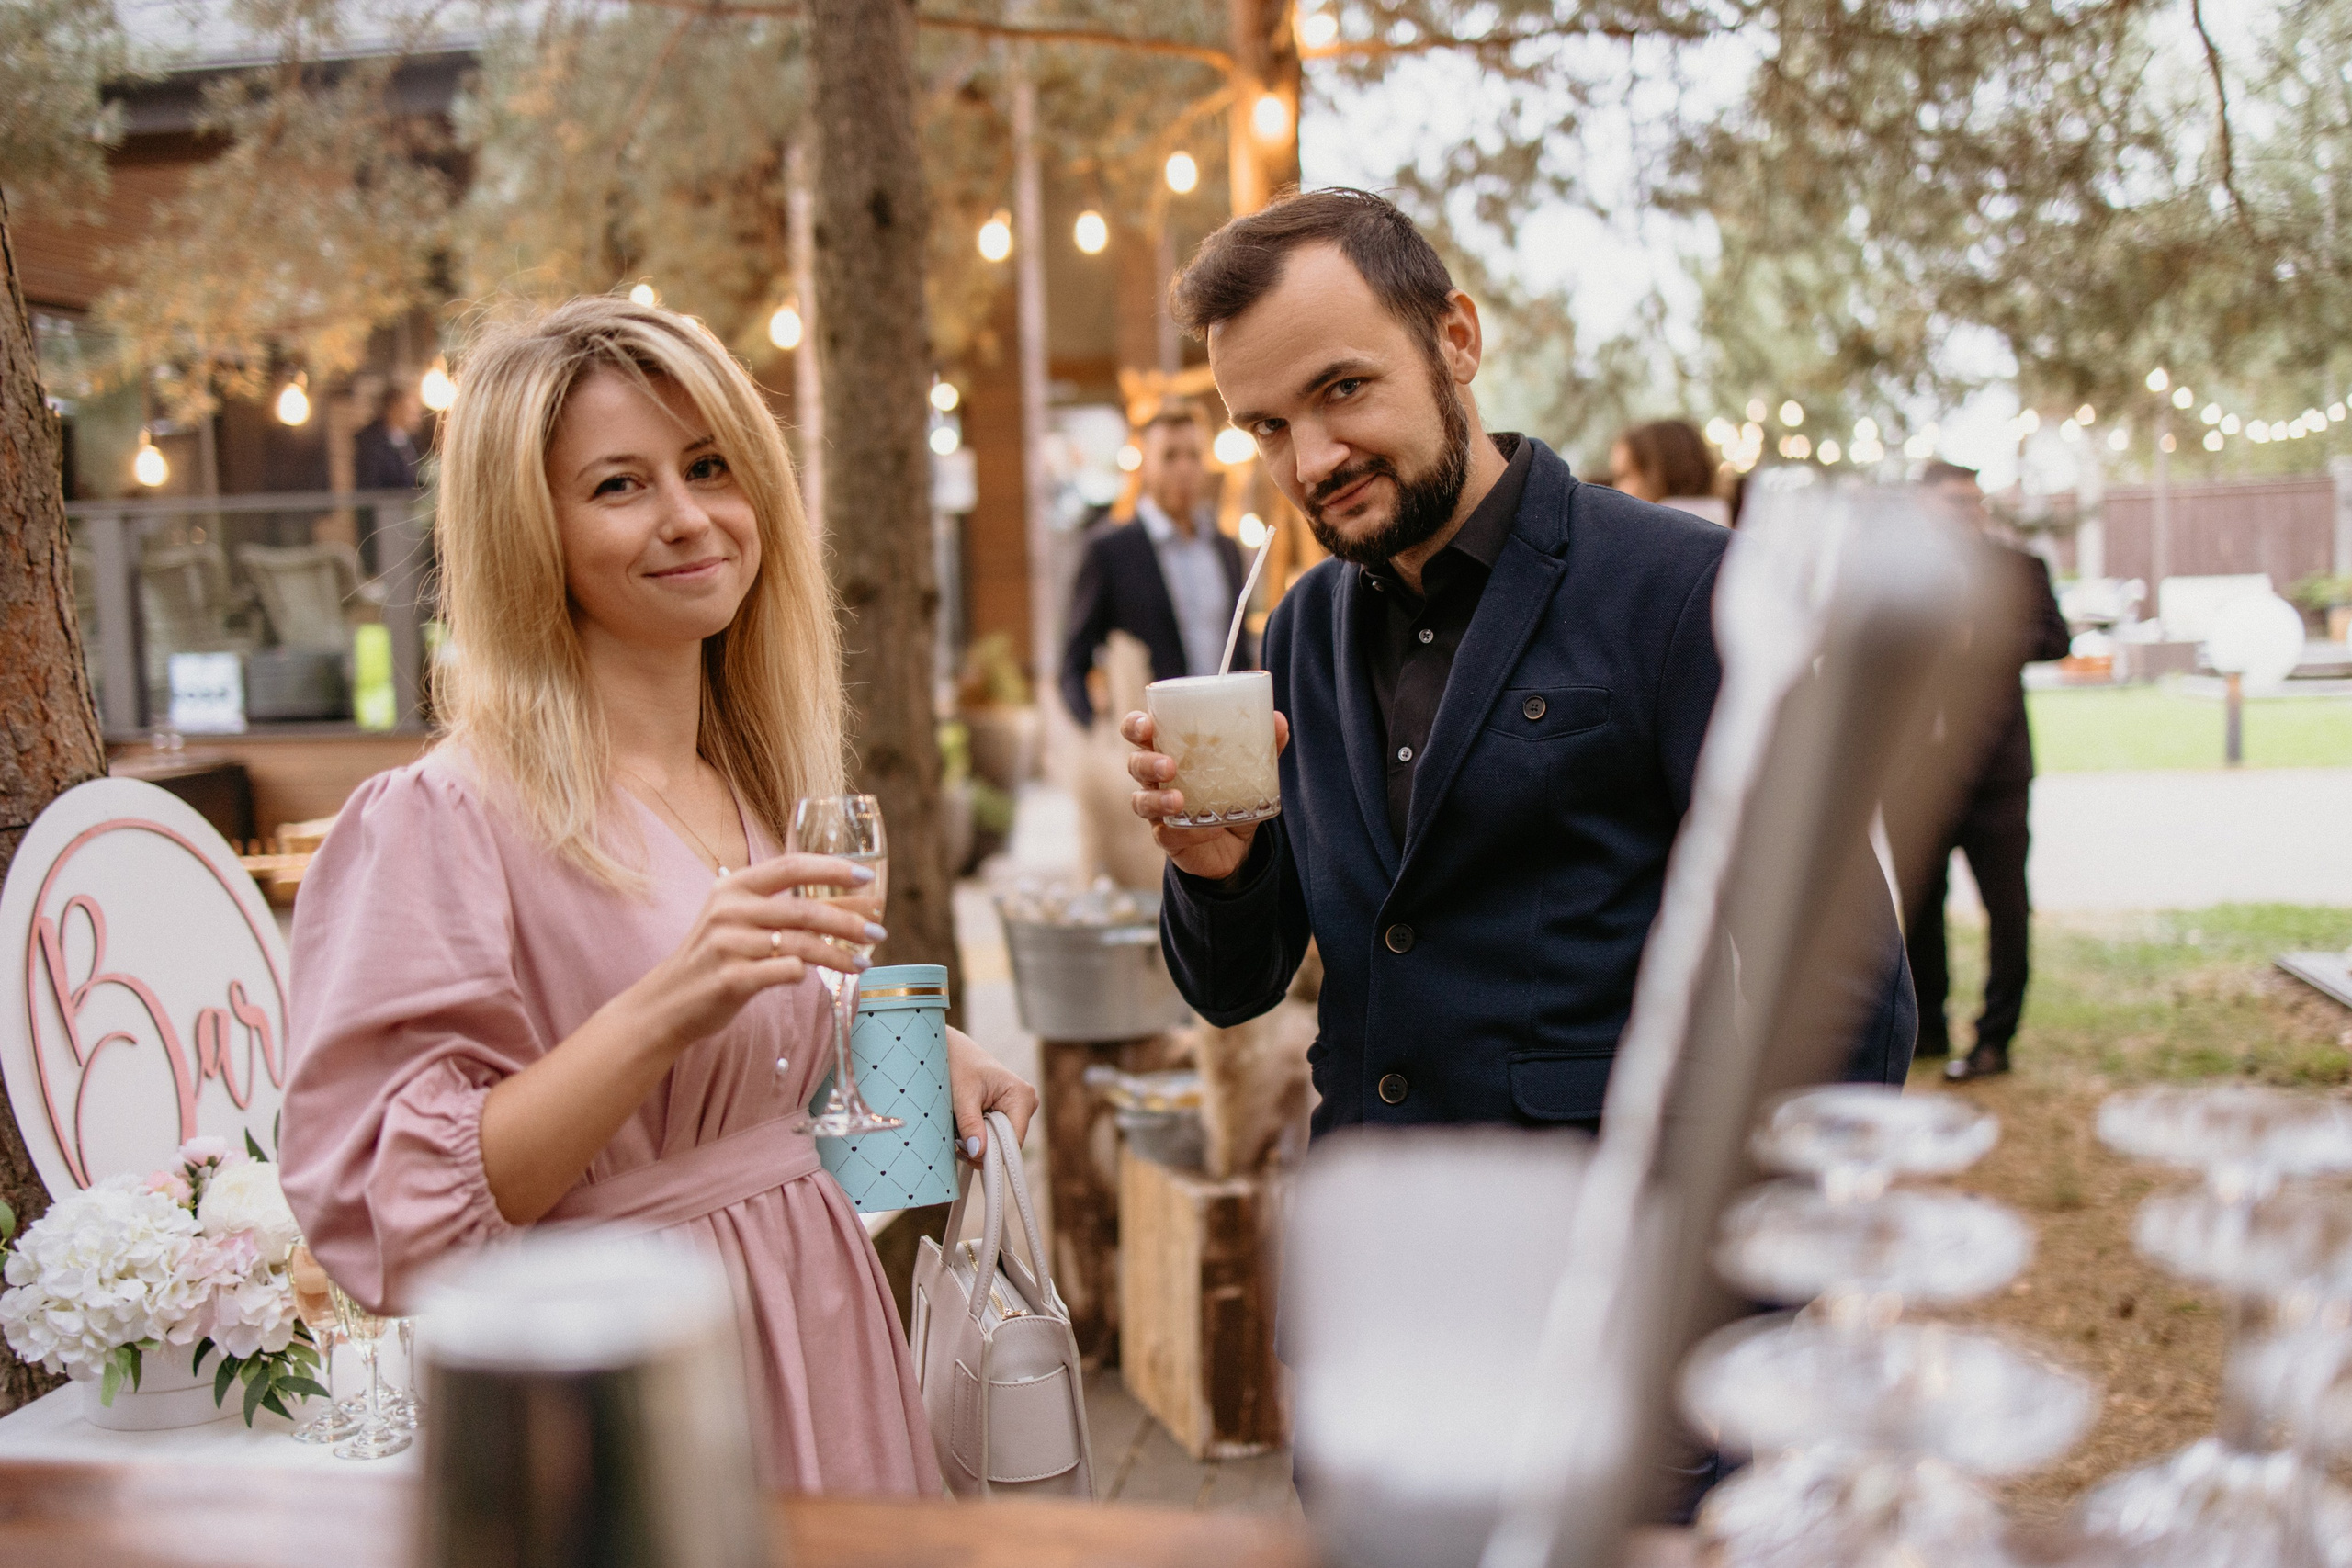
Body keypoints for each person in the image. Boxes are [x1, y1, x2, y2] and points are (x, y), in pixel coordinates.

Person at [277, 296, 1038, 1493]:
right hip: (627, 1377)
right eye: (620, 485)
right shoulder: (444, 813)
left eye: (708, 466)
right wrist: (668, 1003)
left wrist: (912, 1051)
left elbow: (767, 1103)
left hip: (825, 1318)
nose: (690, 518)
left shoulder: (745, 777)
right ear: (532, 530)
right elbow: (393, 1222)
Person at [1121, 188, 1915, 1140]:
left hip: (1606, 1253)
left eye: (1342, 389)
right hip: (1369, 1252)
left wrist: (1766, 1256)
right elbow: (1231, 990)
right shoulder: (1295, 636)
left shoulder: (1684, 589)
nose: (1314, 459)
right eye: (1267, 427)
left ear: (1455, 340)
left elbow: (1842, 980)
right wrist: (1219, 875)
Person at [1899, 460, 2073, 1082]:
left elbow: (2058, 638)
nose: (1970, 513)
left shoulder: (2019, 568)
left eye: (1976, 502)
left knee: (2007, 908)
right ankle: (1929, 1028)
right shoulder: (1894, 572)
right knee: (1919, 907)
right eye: (1954, 503)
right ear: (1921, 506)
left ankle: (1995, 1039)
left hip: (1997, 768)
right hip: (1916, 770)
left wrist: (1986, 637)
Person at [1058, 400, 1254, 727]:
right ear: (1144, 465)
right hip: (1157, 738)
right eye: (1169, 456)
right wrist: (1099, 733)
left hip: (1226, 729)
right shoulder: (1109, 551)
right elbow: (1073, 663)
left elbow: (1242, 650)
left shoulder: (1227, 549)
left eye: (1193, 455)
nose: (1184, 468)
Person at [353, 382, 425, 575]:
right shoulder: (371, 443)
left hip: (406, 521)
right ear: (394, 407)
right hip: (383, 524)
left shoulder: (411, 441)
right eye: (409, 409)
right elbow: (371, 484)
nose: (414, 414)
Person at [1609, 419, 1729, 526]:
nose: (1616, 489)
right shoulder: (1725, 526)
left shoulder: (1658, 533)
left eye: (1623, 476)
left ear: (1657, 475)